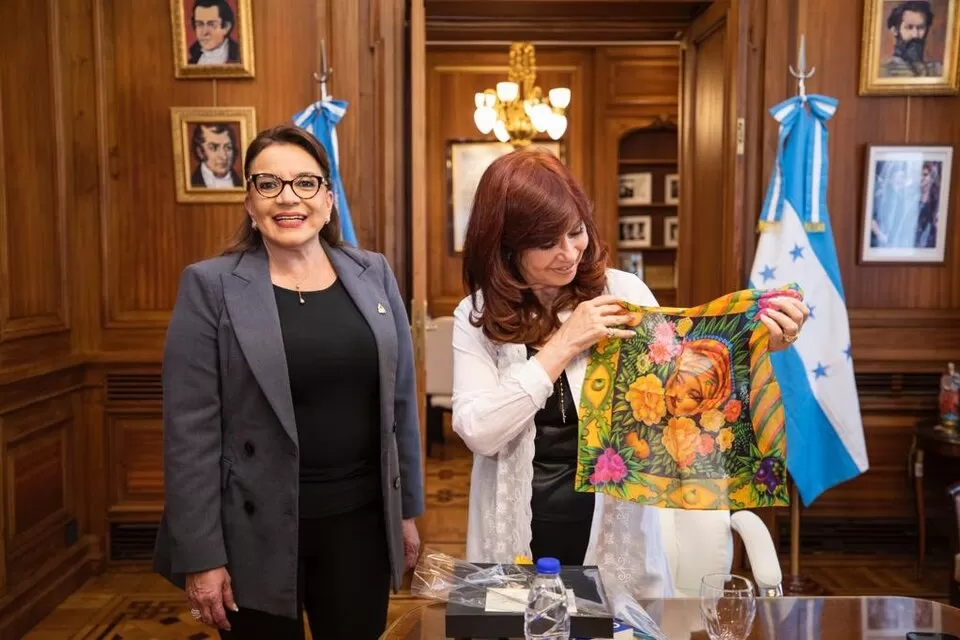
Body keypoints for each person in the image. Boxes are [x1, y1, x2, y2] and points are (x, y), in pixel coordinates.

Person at [452, 148, 808, 600]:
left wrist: (764, 340)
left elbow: (684, 390)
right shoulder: (477, 316)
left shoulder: (622, 293)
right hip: (518, 534)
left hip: (612, 537)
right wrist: (564, 344)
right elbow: (480, 433)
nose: (569, 254)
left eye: (576, 232)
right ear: (504, 246)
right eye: (546, 244)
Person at [153, 123, 424, 639]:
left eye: (305, 183)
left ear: (327, 197)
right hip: (253, 533)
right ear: (249, 202)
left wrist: (406, 510)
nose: (288, 198)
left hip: (359, 523)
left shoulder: (373, 272)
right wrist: (202, 555)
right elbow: (189, 434)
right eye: (268, 184)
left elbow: (399, 403)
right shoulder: (210, 285)